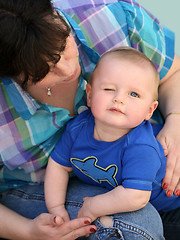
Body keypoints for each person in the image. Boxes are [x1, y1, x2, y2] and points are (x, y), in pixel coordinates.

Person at [0, 0, 180, 239]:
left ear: (54, 12)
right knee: (131, 225)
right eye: (45, 72)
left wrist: (176, 120)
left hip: (148, 186)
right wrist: (28, 231)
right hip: (36, 189)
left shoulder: (112, 15)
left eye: (63, 45)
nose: (68, 70)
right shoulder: (78, 130)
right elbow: (58, 165)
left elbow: (172, 72)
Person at [45, 47, 180, 225]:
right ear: (90, 94)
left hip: (172, 204)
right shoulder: (77, 129)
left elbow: (136, 196)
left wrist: (95, 206)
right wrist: (56, 207)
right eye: (109, 89)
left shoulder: (142, 147)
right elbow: (58, 166)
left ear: (149, 110)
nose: (119, 99)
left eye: (133, 94)